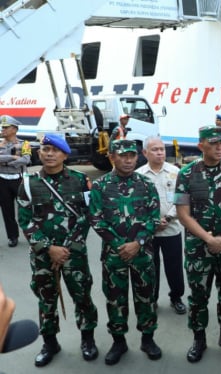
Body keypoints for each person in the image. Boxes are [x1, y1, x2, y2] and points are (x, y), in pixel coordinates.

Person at [17, 134, 98, 367]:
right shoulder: (29, 183)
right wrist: (48, 248)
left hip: (74, 253)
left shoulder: (81, 181)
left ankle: (88, 340)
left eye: (55, 150)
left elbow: (87, 216)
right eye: (45, 149)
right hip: (43, 255)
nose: (49, 154)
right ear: (39, 153)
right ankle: (50, 343)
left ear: (65, 154)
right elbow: (25, 220)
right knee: (46, 299)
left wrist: (67, 248)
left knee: (82, 296)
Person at [174, 125, 221, 363]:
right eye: (214, 143)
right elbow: (183, 214)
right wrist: (208, 239)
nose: (219, 147)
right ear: (200, 146)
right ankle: (199, 339)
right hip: (198, 249)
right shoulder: (185, 174)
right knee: (198, 296)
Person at [89, 139, 162, 365]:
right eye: (122, 155)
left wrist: (138, 243)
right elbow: (96, 219)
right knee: (115, 299)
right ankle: (118, 341)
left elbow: (153, 218)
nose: (128, 160)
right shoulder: (100, 186)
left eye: (132, 156)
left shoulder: (147, 184)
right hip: (114, 255)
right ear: (112, 157)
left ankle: (147, 339)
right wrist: (121, 245)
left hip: (142, 254)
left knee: (146, 297)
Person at [136, 136, 187, 315]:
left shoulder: (175, 172)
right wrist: (152, 223)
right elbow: (137, 204)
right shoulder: (139, 175)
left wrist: (169, 217)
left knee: (174, 267)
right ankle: (153, 298)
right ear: (145, 153)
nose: (160, 153)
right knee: (151, 267)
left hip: (171, 228)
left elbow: (181, 198)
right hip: (148, 232)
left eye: (162, 149)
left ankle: (176, 297)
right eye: (155, 150)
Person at [0, 114, 31, 247]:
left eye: (6, 127)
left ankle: (31, 233)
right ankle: (13, 236)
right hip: (2, 180)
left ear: (14, 129)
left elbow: (26, 160)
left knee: (25, 209)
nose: (3, 130)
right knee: (7, 211)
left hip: (19, 179)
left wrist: (6, 161)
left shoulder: (24, 144)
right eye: (3, 127)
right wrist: (13, 157)